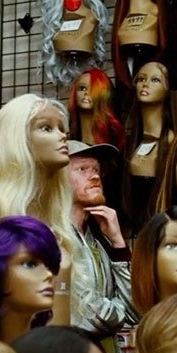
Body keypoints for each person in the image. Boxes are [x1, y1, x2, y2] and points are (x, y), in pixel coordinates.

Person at [66, 140, 136, 336]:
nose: (95, 176)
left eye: (96, 169)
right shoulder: (55, 237)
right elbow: (91, 317)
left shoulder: (96, 240)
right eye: (82, 169)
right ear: (58, 180)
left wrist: (118, 244)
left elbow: (134, 313)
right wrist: (117, 309)